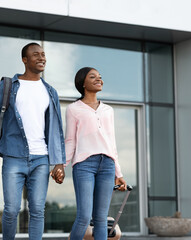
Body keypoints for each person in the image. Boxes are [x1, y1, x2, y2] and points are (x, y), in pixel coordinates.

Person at [0, 42, 65, 240]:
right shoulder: (9, 85)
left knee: (37, 210)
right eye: (36, 54)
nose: (41, 57)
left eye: (43, 54)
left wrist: (59, 162)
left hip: (41, 158)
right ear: (25, 60)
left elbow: (56, 129)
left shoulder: (50, 91)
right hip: (13, 156)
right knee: (11, 209)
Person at [65, 67, 127, 240]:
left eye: (100, 77)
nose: (99, 79)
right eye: (93, 77)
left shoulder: (108, 110)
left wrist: (118, 172)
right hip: (84, 165)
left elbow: (111, 142)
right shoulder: (73, 109)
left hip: (107, 164)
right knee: (84, 217)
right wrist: (61, 165)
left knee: (101, 219)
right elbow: (70, 141)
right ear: (83, 83)